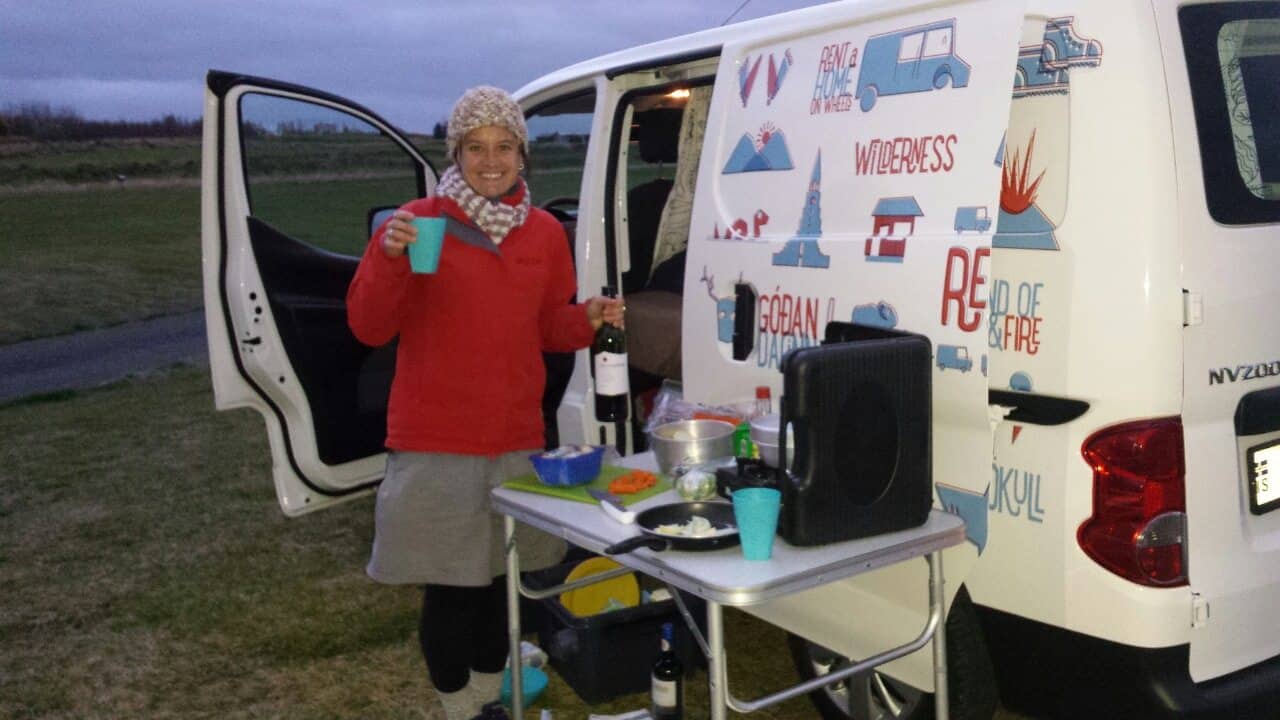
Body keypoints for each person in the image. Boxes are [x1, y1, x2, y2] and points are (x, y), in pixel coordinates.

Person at [346, 85, 624, 720]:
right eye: (476, 147)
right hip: (436, 439)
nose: (490, 160)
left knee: (506, 586)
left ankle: (493, 690)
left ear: (523, 154)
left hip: (516, 437)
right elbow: (369, 326)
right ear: (456, 152)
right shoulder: (422, 224)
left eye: (504, 146)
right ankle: (462, 705)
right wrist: (388, 258)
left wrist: (587, 318)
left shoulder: (545, 233)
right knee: (452, 589)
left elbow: (547, 328)